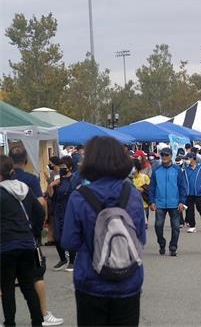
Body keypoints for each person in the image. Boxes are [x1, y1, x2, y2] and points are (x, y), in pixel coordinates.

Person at [61, 136, 145, 326]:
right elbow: (141, 237)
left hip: (91, 282)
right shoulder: (132, 194)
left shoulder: (79, 197)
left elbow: (69, 242)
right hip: (129, 281)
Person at [8, 145, 64, 326]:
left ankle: (8, 320)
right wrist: (40, 229)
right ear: (25, 161)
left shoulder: (3, 182)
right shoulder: (31, 179)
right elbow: (41, 205)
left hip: (5, 238)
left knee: (4, 281)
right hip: (28, 235)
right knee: (36, 276)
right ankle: (43, 314)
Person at [0, 155, 45, 327]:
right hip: (26, 242)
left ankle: (10, 323)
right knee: (28, 285)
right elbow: (39, 213)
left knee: (7, 287)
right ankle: (37, 321)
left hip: (5, 245)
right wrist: (34, 232)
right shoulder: (25, 188)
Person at [149, 147, 187, 256]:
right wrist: (152, 201)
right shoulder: (156, 170)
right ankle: (161, 243)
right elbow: (152, 187)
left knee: (175, 227)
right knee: (158, 226)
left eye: (166, 155)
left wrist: (182, 202)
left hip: (174, 203)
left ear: (171, 156)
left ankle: (173, 246)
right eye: (162, 155)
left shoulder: (177, 170)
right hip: (159, 203)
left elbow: (182, 187)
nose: (164, 157)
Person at [47, 156, 76, 272]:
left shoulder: (74, 180)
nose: (63, 169)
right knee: (57, 237)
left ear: (70, 167)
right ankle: (63, 259)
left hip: (69, 210)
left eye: (65, 167)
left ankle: (73, 261)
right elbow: (51, 195)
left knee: (69, 236)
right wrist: (50, 185)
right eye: (61, 166)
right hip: (58, 210)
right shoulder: (59, 180)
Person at [184, 152, 201, 233]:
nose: (187, 160)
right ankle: (192, 226)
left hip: (198, 192)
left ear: (193, 159)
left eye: (188, 158)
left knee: (200, 208)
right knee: (189, 210)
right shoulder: (185, 169)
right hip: (188, 193)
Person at [131, 158, 151, 226]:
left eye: (133, 167)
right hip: (132, 205)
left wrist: (143, 189)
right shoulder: (127, 178)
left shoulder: (144, 177)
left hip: (144, 204)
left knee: (144, 224)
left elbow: (149, 189)